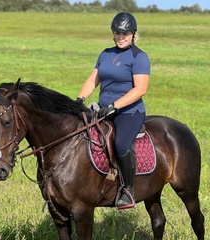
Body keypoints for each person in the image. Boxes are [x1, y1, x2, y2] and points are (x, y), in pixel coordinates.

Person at [76, 12, 150, 210]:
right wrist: (79, 99)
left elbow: (140, 89)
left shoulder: (139, 57)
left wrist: (115, 106)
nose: (121, 36)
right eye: (118, 33)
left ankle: (128, 190)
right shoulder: (105, 54)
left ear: (133, 34)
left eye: (125, 33)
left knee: (121, 144)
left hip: (129, 112)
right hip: (103, 110)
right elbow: (93, 80)